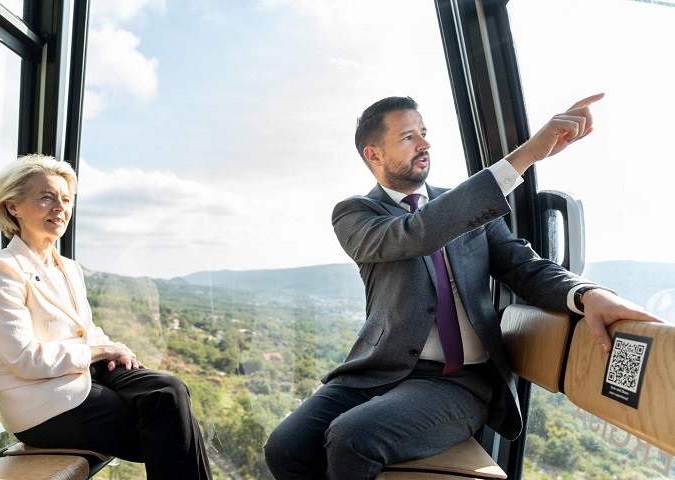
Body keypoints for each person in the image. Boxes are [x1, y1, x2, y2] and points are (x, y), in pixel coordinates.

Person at [264, 94, 663, 480]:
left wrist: (587, 293)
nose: (424, 144)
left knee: (352, 437)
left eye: (424, 132)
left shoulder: (471, 208)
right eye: (408, 137)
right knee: (285, 447)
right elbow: (417, 233)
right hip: (377, 372)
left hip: (458, 381)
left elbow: (524, 267)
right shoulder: (356, 214)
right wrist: (528, 154)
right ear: (374, 154)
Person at [0, 154, 213, 480]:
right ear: (13, 206)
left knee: (169, 391)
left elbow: (85, 330)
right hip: (42, 404)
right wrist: (100, 351)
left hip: (87, 373)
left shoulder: (69, 268)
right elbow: (25, 359)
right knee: (171, 428)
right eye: (46, 198)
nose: (60, 208)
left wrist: (115, 349)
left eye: (66, 199)